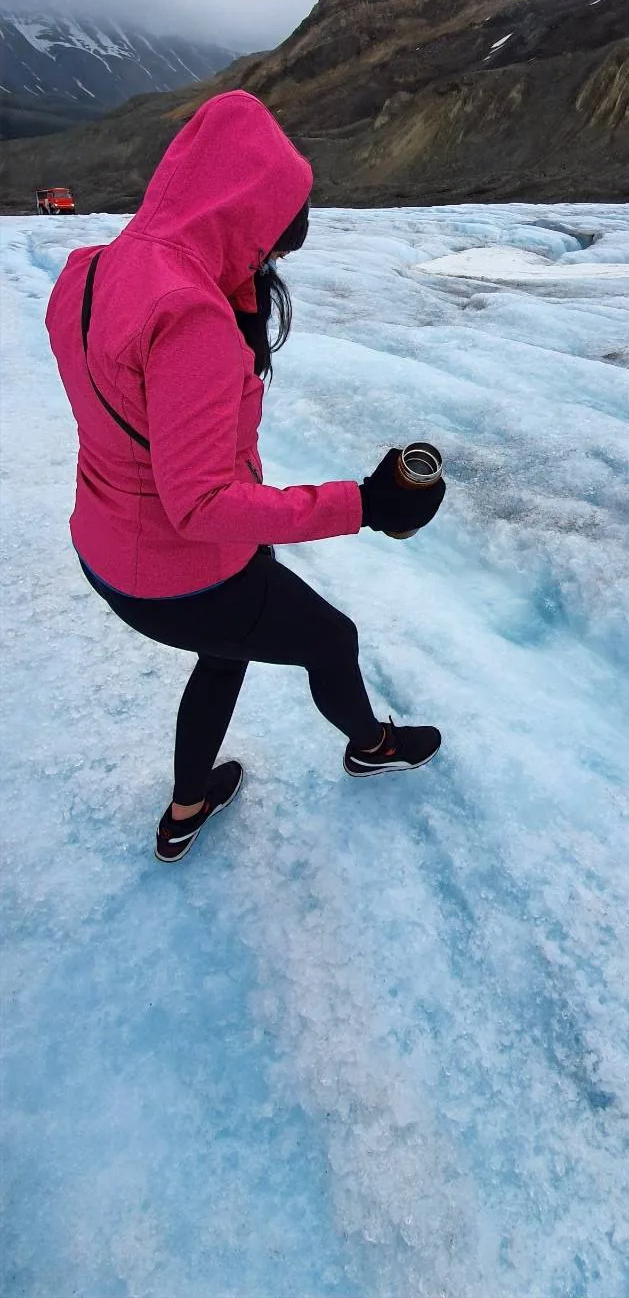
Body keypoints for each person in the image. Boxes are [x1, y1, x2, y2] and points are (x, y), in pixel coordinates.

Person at [46, 91, 445, 862]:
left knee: (226, 649)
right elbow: (198, 505)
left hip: (106, 549)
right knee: (333, 639)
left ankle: (187, 806)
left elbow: (128, 414)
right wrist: (361, 505)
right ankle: (370, 745)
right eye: (272, 244)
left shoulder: (91, 272)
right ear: (241, 215)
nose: (271, 261)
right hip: (180, 571)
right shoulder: (189, 315)